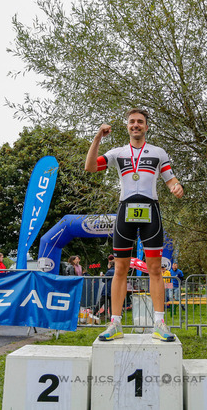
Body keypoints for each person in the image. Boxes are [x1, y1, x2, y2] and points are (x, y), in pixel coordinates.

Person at [85, 108, 183, 342]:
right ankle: (115, 324)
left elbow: (170, 179)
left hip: (151, 211)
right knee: (120, 269)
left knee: (155, 269)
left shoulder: (158, 153)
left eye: (140, 121)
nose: (136, 125)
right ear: (127, 126)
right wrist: (97, 138)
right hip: (125, 211)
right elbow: (90, 166)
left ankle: (159, 323)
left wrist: (176, 186)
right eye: (132, 122)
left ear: (146, 127)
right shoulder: (117, 153)